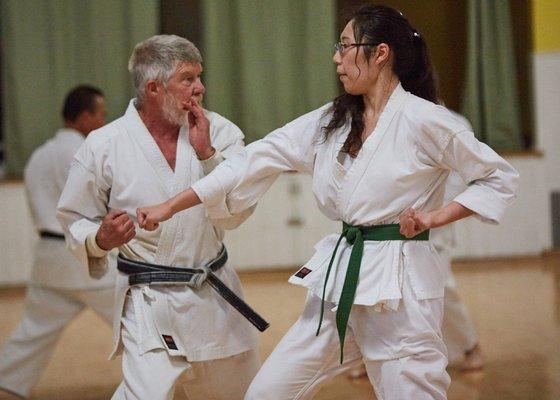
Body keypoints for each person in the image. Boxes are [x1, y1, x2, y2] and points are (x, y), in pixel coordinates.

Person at [137, 6, 518, 400]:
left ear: (381, 52)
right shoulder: (331, 121)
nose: (337, 56)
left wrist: (436, 216)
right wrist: (172, 205)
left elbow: (498, 176)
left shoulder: (426, 120)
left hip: (399, 290)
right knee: (266, 393)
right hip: (339, 283)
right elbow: (254, 159)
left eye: (346, 45)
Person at [57, 35, 260, 400]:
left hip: (213, 294)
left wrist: (208, 155)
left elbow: (236, 214)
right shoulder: (104, 145)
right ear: (153, 88)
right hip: (149, 300)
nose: (200, 88)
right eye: (187, 79)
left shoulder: (222, 132)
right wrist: (100, 239)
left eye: (199, 76)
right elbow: (74, 217)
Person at [347, 112, 483, 380]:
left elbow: (464, 179)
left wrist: (435, 215)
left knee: (441, 286)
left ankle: (470, 347)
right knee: (379, 287)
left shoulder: (451, 122)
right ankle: (373, 353)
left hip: (434, 222)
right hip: (388, 223)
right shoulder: (384, 117)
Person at [0, 85, 115, 399]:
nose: (104, 121)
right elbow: (104, 202)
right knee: (134, 321)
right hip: (84, 254)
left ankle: (6, 383)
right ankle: (166, 379)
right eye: (100, 114)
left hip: (48, 256)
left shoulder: (38, 155)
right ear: (82, 117)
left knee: (33, 330)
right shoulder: (86, 152)